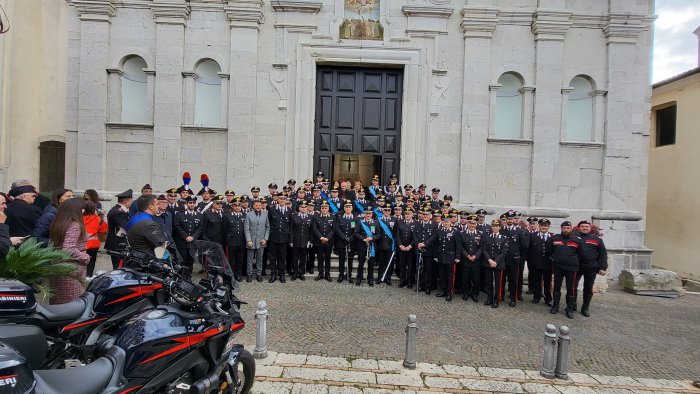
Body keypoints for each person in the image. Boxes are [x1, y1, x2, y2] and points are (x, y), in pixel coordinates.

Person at [48, 198, 90, 304]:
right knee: (72, 302)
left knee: (58, 301)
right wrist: (85, 257)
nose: (84, 211)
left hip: (58, 265)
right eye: (82, 209)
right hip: (71, 268)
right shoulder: (75, 225)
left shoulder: (58, 222)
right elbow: (69, 249)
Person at [546, 221, 583, 319]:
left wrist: (572, 260)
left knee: (570, 288)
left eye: (568, 228)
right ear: (561, 228)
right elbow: (549, 250)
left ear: (571, 228)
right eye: (564, 228)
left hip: (571, 268)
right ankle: (555, 306)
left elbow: (581, 254)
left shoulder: (577, 240)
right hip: (558, 267)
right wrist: (554, 258)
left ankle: (569, 309)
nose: (566, 230)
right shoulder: (555, 238)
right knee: (556, 287)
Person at [575, 220, 608, 317]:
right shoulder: (574, 238)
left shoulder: (597, 239)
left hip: (591, 267)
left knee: (588, 288)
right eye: (583, 226)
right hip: (577, 266)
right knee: (573, 286)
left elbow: (603, 254)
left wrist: (603, 267)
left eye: (587, 226)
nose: (585, 228)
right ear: (579, 228)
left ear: (590, 228)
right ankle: (573, 305)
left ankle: (585, 307)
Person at [125, 194, 169, 258]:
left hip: (135, 256)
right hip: (145, 259)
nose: (159, 206)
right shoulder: (149, 224)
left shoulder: (135, 217)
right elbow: (160, 247)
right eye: (157, 204)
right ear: (150, 206)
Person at [172, 196, 203, 276]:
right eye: (190, 203)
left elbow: (200, 228)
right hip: (182, 242)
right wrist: (186, 236)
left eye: (193, 203)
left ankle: (188, 277)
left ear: (196, 204)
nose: (192, 205)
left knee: (190, 261)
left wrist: (193, 237)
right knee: (182, 260)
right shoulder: (179, 214)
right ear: (186, 204)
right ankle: (181, 277)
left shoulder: (199, 215)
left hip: (192, 242)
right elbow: (177, 226)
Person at [482, 219, 508, 308]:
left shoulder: (504, 238)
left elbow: (504, 252)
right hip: (488, 263)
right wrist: (489, 260)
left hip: (498, 264)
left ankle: (497, 300)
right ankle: (489, 298)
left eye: (496, 226)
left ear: (500, 227)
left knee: (498, 283)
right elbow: (484, 250)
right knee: (488, 282)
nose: (494, 227)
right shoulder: (487, 237)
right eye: (493, 226)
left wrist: (495, 261)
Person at [434, 214, 461, 301]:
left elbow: (458, 245)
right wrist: (435, 255)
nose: (446, 223)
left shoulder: (455, 231)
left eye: (447, 222)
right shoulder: (439, 231)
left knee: (450, 277)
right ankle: (443, 291)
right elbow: (436, 244)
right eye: (444, 221)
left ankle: (449, 293)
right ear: (442, 222)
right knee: (442, 275)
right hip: (441, 256)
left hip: (450, 257)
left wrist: (457, 257)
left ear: (450, 222)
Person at [529, 219, 554, 307]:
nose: (544, 227)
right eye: (542, 225)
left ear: (548, 227)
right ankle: (536, 297)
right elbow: (529, 250)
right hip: (536, 264)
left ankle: (548, 299)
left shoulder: (553, 236)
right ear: (539, 226)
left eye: (546, 226)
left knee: (548, 282)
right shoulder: (532, 236)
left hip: (548, 264)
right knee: (536, 281)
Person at [105, 189, 133, 269]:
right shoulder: (119, 212)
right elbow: (126, 226)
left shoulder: (120, 210)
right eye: (131, 200)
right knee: (119, 267)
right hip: (118, 245)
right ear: (126, 201)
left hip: (119, 244)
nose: (132, 202)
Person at [353, 209, 381, 286]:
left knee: (371, 264)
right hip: (362, 246)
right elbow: (356, 233)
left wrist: (372, 238)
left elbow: (379, 234)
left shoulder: (375, 222)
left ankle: (370, 279)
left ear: (372, 214)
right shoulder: (360, 222)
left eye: (370, 214)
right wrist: (364, 239)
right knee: (361, 264)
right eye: (367, 214)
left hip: (371, 247)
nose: (368, 215)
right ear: (364, 214)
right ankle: (359, 278)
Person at [267, 195, 291, 283]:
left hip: (284, 237)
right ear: (278, 200)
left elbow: (290, 225)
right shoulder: (272, 209)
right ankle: (273, 274)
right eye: (281, 199)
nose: (282, 200)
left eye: (284, 199)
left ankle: (282, 274)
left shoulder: (289, 210)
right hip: (273, 236)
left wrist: (290, 238)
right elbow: (268, 223)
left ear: (286, 200)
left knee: (282, 257)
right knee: (272, 257)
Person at [459, 214, 483, 302]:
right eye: (470, 223)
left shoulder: (480, 234)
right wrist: (467, 256)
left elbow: (482, 247)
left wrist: (475, 256)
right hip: (466, 259)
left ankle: (475, 294)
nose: (472, 225)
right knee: (465, 278)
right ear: (467, 223)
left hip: (476, 260)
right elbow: (460, 247)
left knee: (476, 279)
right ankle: (465, 293)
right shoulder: (462, 233)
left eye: (474, 223)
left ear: (476, 224)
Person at [244, 199, 269, 282]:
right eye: (256, 205)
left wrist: (265, 238)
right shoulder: (248, 214)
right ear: (253, 206)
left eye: (259, 205)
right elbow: (246, 228)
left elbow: (267, 227)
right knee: (250, 259)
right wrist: (248, 240)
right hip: (251, 240)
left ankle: (259, 274)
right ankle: (249, 275)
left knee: (260, 259)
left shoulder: (265, 214)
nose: (258, 207)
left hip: (261, 240)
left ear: (262, 206)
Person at [224, 197, 247, 282]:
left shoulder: (245, 215)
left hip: (242, 241)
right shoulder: (227, 216)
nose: (237, 207)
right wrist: (227, 241)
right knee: (230, 259)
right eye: (235, 206)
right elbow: (224, 230)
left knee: (240, 259)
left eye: (239, 205)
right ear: (232, 206)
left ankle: (238, 274)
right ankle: (231, 274)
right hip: (231, 241)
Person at [415, 208, 438, 294]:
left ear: (430, 215)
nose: (425, 216)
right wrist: (418, 244)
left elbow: (434, 237)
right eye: (424, 214)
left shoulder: (434, 225)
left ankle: (427, 287)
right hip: (419, 250)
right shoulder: (417, 224)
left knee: (428, 270)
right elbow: (414, 235)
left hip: (428, 250)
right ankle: (420, 285)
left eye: (427, 214)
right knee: (420, 269)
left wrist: (424, 244)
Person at [312, 200, 335, 282]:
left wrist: (327, 238)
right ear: (321, 208)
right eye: (323, 208)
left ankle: (327, 274)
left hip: (329, 241)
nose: (324, 209)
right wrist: (321, 238)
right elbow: (314, 228)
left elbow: (333, 229)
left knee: (328, 258)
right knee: (320, 258)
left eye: (326, 208)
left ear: (328, 208)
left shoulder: (333, 217)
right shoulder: (316, 216)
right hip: (319, 241)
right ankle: (320, 273)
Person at [83, 201, 107, 277]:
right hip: (93, 245)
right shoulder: (97, 219)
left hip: (82, 244)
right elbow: (104, 230)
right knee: (91, 261)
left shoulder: (79, 218)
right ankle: (88, 276)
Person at [334, 200, 356, 283]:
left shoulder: (355, 218)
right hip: (341, 242)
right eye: (346, 207)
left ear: (352, 208)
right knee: (341, 259)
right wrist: (344, 237)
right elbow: (337, 229)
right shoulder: (339, 217)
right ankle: (341, 275)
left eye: (349, 207)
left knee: (350, 260)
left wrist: (350, 238)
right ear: (344, 208)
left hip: (351, 242)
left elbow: (356, 230)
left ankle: (349, 275)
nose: (348, 208)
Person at [290, 201, 312, 281]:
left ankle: (301, 273)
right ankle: (295, 273)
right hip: (295, 241)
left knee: (303, 259)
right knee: (295, 258)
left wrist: (310, 241)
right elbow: (291, 229)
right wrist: (291, 240)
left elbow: (311, 230)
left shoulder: (310, 217)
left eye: (305, 207)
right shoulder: (294, 216)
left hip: (305, 241)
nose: (303, 208)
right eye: (302, 207)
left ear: (307, 208)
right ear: (299, 208)